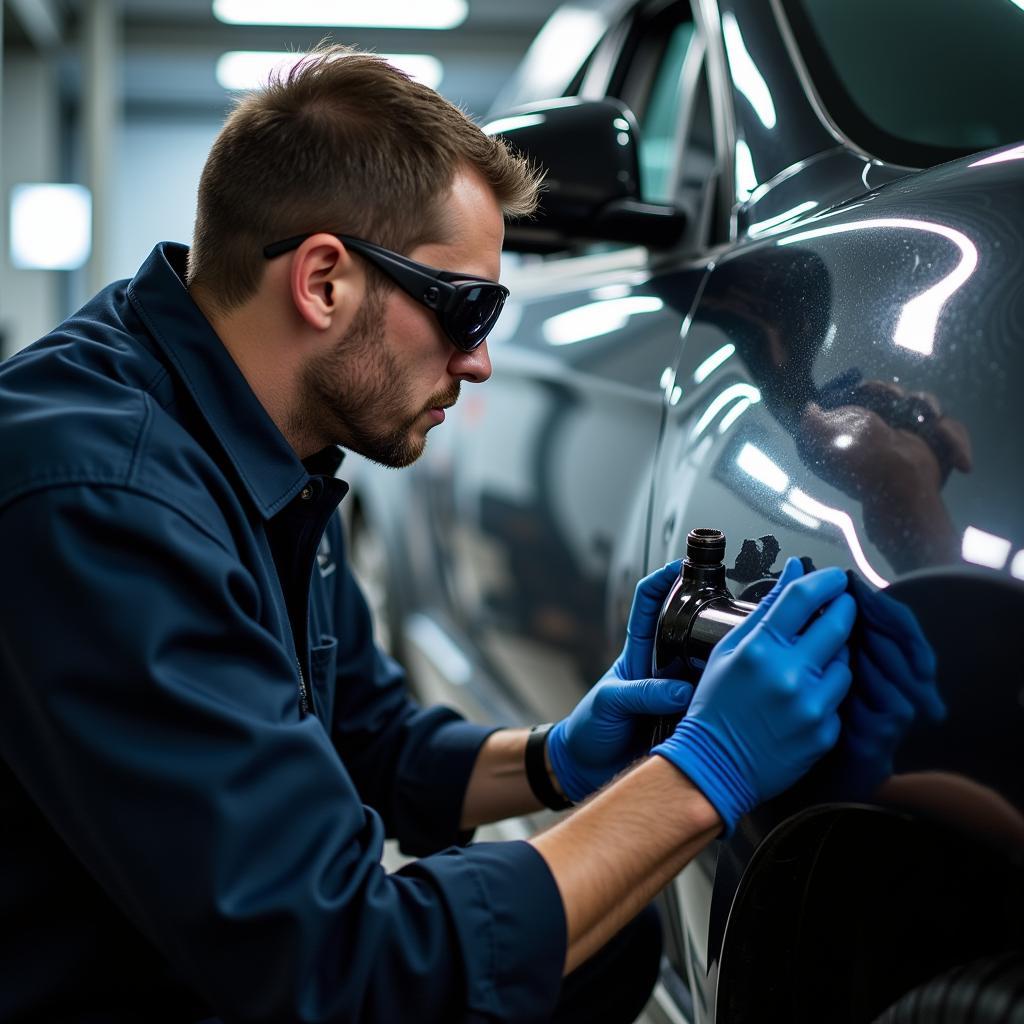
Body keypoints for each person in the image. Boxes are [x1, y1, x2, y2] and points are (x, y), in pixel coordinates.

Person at [0, 45, 924, 1024]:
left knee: (603, 950)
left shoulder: (252, 443)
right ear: (323, 282)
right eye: (466, 308)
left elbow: (369, 743)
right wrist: (706, 770)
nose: (480, 362)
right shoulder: (104, 501)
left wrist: (560, 757)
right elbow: (350, 966)